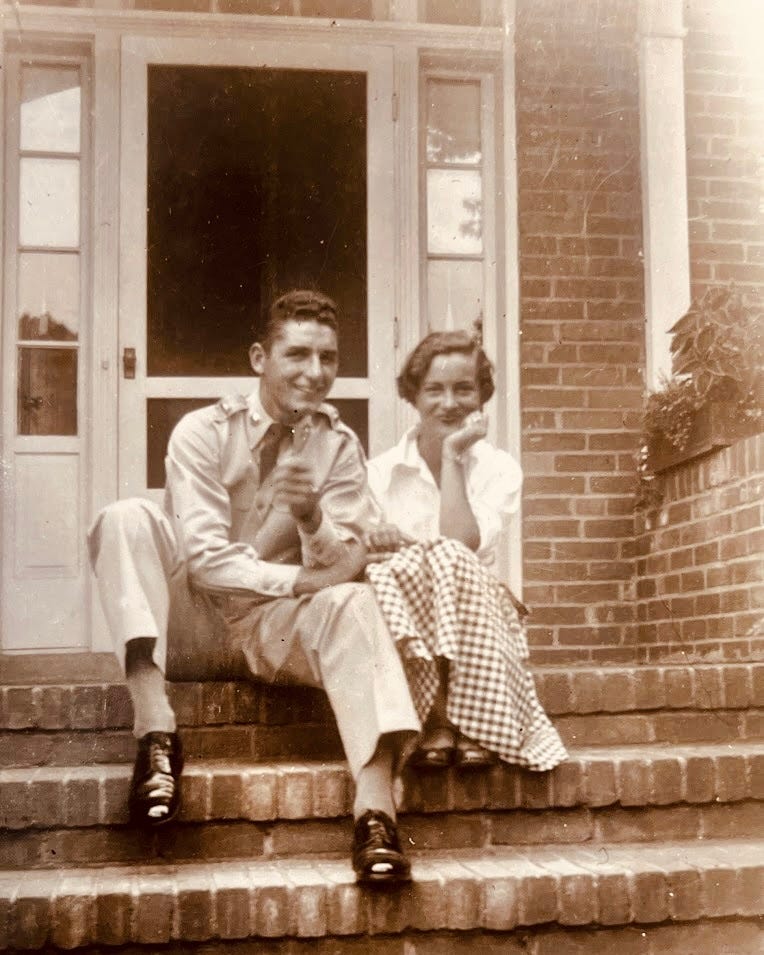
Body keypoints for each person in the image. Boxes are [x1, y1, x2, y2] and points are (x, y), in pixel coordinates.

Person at [88, 290, 420, 885]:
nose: (315, 373)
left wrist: (313, 519)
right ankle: (156, 736)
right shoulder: (201, 431)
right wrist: (305, 574)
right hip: (191, 620)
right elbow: (206, 561)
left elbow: (342, 568)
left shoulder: (339, 447)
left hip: (273, 627)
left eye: (328, 358)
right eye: (297, 355)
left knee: (357, 602)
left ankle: (375, 813)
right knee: (124, 518)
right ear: (259, 357)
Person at [364, 330, 567, 773]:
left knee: (448, 556)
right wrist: (375, 541)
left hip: (480, 614)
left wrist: (455, 456)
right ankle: (437, 716)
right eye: (434, 389)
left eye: (463, 389)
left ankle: (470, 722)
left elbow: (459, 544)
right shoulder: (379, 474)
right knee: (383, 574)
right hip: (407, 617)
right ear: (413, 396)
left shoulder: (499, 469)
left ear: (481, 397)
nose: (449, 403)